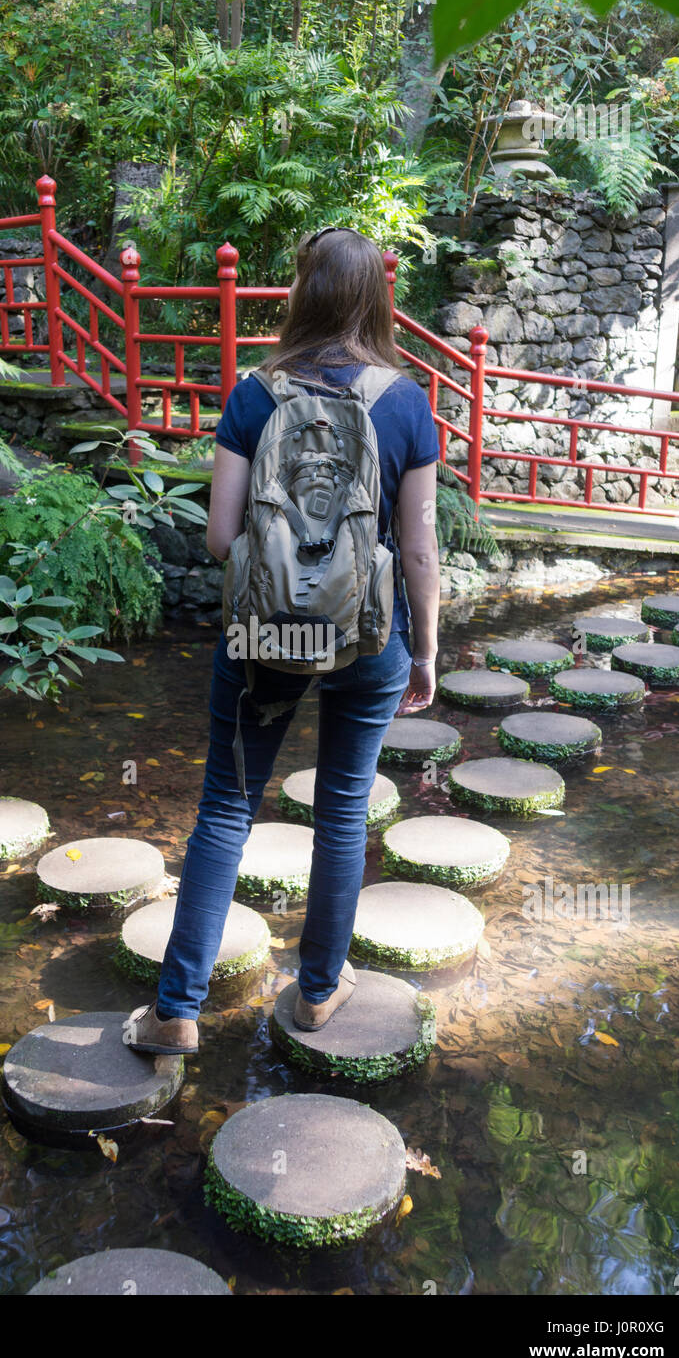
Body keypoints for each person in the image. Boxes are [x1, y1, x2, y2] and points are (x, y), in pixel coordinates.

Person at [125, 226, 441, 1056]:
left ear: (301, 293)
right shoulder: (406, 401)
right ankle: (316, 995)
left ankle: (177, 1012)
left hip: (263, 634)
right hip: (374, 636)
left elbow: (220, 539)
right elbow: (418, 549)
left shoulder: (255, 394)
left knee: (227, 808)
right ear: (379, 295)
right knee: (342, 811)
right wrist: (430, 650)